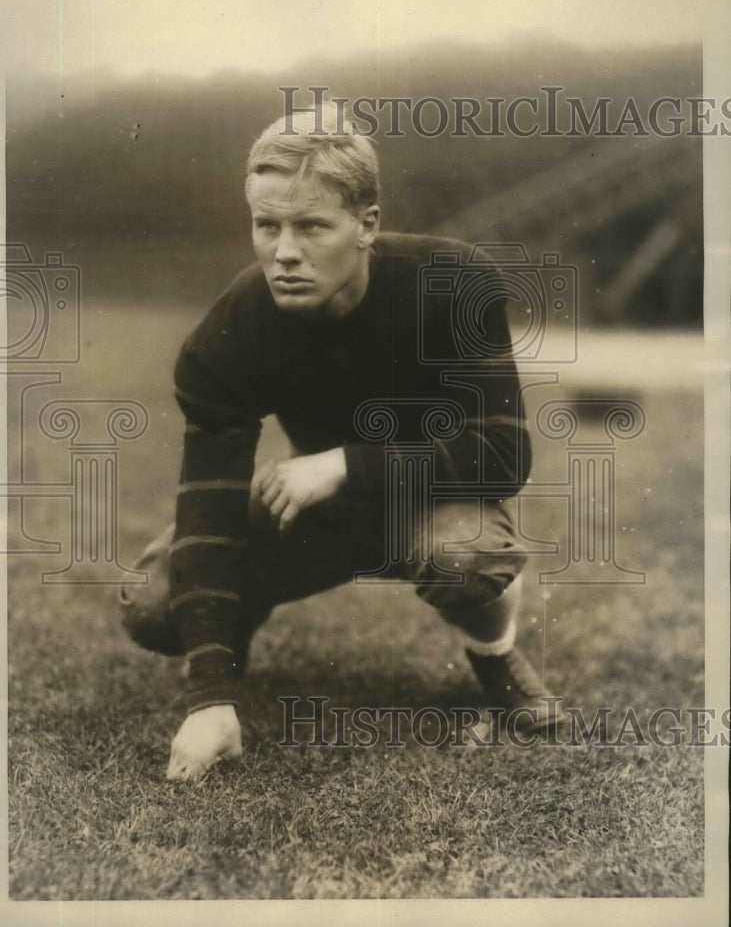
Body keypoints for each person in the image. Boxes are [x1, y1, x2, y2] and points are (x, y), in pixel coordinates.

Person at [120, 109, 566, 781]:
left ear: (367, 224)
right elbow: (207, 513)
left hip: (429, 505)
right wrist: (207, 695)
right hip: (320, 517)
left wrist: (342, 463)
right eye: (266, 226)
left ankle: (494, 652)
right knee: (153, 603)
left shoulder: (452, 280)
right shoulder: (230, 334)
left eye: (312, 226)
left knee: (466, 555)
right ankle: (231, 636)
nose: (284, 251)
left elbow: (502, 457)